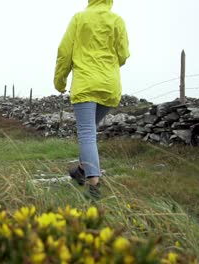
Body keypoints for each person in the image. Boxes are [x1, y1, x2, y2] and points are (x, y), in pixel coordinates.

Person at [54, 0, 130, 199]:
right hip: (109, 86)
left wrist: (59, 81)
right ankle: (80, 170)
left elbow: (64, 51)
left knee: (87, 134)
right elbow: (123, 55)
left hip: (86, 85)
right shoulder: (117, 20)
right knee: (90, 132)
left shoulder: (80, 18)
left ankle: (94, 186)